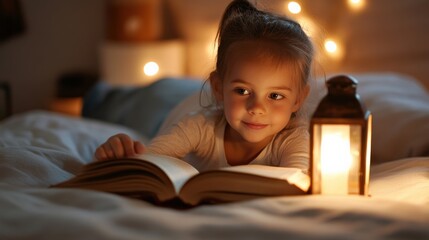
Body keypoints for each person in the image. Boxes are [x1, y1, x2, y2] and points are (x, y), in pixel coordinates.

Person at [94, 0, 314, 172]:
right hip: (166, 104)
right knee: (112, 104)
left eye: (275, 96)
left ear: (298, 99)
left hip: (191, 101)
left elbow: (300, 177)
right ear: (218, 87)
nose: (256, 107)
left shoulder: (293, 140)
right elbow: (148, 159)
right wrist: (123, 153)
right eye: (242, 91)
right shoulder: (199, 125)